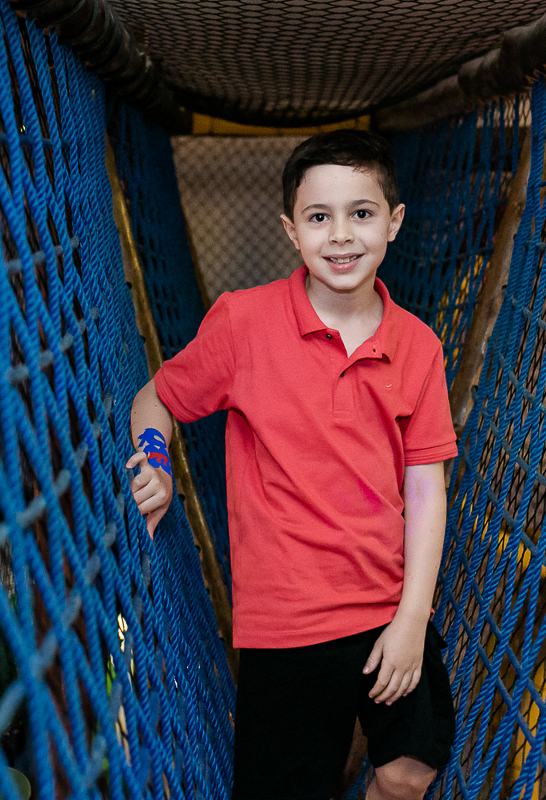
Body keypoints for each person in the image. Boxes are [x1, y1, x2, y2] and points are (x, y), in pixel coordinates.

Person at [126, 129, 457, 800]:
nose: (340, 235)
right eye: (318, 217)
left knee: (410, 767)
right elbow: (156, 397)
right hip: (286, 623)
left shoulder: (418, 346)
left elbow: (426, 487)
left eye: (361, 214)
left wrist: (412, 618)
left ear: (393, 223)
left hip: (384, 606)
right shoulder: (243, 325)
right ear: (291, 229)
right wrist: (156, 460)